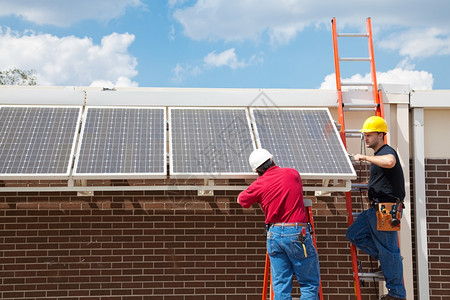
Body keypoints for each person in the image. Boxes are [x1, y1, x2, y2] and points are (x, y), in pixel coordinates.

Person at [237, 148, 320, 300]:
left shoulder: (259, 183)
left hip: (274, 235)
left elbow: (242, 200)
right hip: (297, 233)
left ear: (257, 170)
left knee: (281, 287)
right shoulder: (292, 173)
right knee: (309, 284)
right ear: (272, 160)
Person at [346, 116, 406, 300]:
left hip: (387, 209)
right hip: (375, 209)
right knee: (354, 234)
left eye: (369, 135)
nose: (366, 138)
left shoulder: (387, 152)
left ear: (381, 135)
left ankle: (396, 294)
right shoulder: (378, 156)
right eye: (365, 135)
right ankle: (389, 259)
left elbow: (390, 162)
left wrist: (364, 157)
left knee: (389, 252)